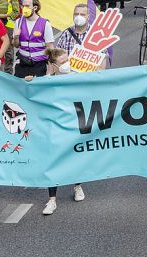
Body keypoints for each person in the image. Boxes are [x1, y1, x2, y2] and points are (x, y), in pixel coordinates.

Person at [40, 48, 86, 214]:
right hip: (53, 127)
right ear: (52, 66)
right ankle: (52, 200)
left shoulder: (75, 78)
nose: (67, 64)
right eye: (62, 62)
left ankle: (78, 186)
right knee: (53, 161)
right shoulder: (44, 83)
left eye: (68, 60)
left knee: (74, 155)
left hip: (73, 124)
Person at [13, 0, 54, 79]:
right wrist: (16, 37)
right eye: (23, 6)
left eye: (27, 6)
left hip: (39, 65)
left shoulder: (45, 24)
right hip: (22, 63)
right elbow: (16, 45)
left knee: (37, 90)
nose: (24, 8)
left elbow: (50, 47)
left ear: (35, 8)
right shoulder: (18, 22)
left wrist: (50, 70)